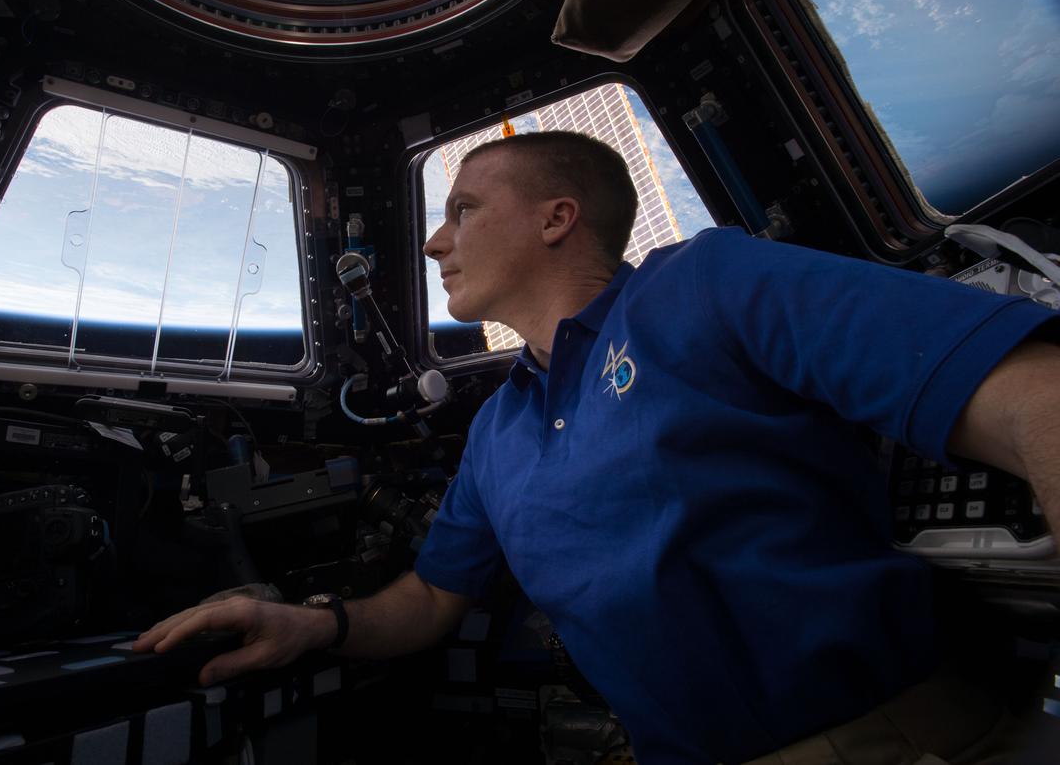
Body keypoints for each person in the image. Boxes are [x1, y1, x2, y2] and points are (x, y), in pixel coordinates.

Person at [134, 131, 1060, 764]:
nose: (430, 239)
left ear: (555, 218)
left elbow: (1037, 392)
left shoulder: (704, 283)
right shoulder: (498, 428)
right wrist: (316, 622)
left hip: (893, 736)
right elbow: (426, 599)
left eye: (461, 209)